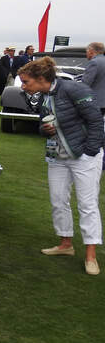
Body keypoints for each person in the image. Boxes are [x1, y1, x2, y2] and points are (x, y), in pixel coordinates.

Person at [19, 57, 104, 275]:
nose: (23, 86)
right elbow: (42, 124)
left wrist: (90, 151)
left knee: (87, 204)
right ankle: (65, 244)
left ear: (40, 79)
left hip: (83, 155)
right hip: (57, 156)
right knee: (58, 200)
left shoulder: (74, 89)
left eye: (26, 81)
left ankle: (91, 255)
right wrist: (43, 130)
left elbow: (95, 120)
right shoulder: (44, 95)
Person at [81, 42, 105, 114]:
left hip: (95, 101)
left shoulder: (94, 63)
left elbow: (85, 83)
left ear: (91, 51)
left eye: (87, 51)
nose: (86, 54)